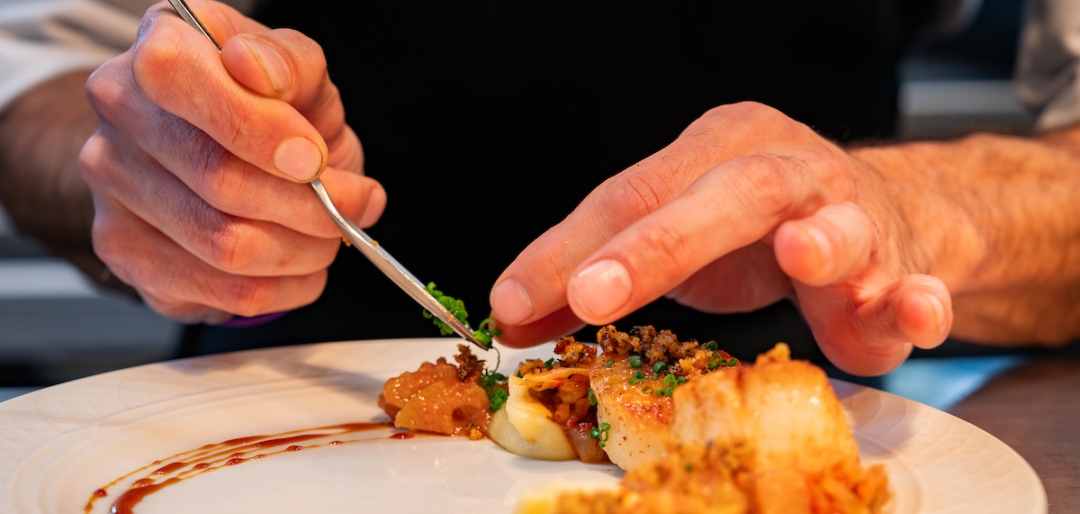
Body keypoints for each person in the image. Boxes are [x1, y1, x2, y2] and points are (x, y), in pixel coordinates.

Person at [2, 0, 1079, 376]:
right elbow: (40, 83)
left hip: (798, 404)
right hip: (283, 393)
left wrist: (925, 209)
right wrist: (171, 160)